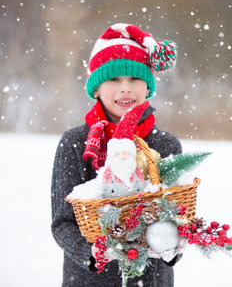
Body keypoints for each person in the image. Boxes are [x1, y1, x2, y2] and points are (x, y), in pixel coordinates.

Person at [51, 23, 182, 286]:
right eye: (114, 79)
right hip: (89, 279)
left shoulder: (165, 145)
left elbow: (179, 217)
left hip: (152, 278)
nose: (125, 88)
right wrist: (94, 253)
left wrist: (169, 247)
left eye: (134, 79)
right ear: (96, 88)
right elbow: (62, 223)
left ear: (148, 88)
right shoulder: (74, 143)